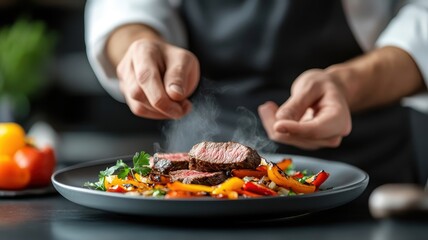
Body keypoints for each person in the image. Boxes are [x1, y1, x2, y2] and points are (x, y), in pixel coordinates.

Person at [84, 0, 428, 190]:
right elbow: (122, 9)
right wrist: (138, 45)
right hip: (191, 176)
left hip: (368, 171)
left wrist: (348, 84)